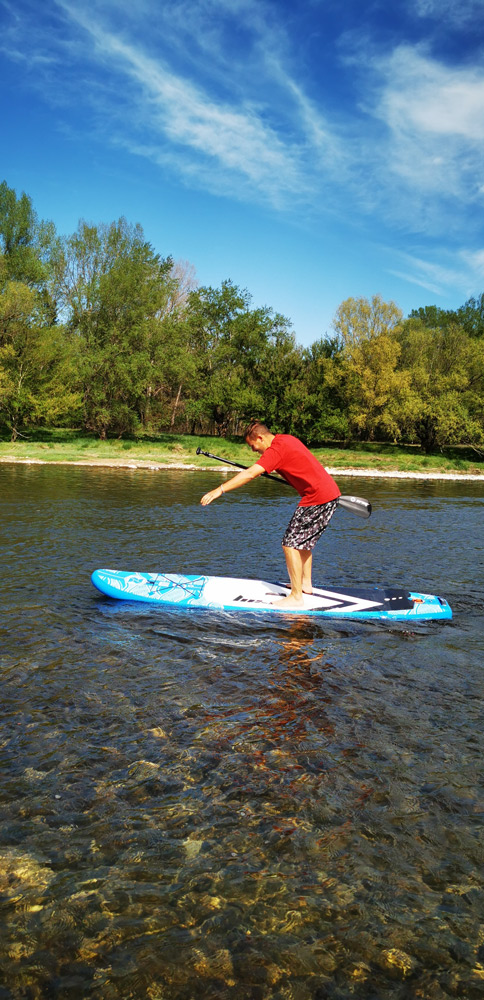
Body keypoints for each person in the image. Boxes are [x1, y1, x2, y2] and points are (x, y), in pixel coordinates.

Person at [200, 421, 341, 609]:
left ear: (260, 437)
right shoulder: (286, 439)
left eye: (253, 446)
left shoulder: (275, 452)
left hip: (317, 497)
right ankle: (305, 584)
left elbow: (250, 474)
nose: (253, 450)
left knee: (290, 544)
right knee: (303, 542)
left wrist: (220, 489)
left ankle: (296, 596)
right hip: (328, 494)